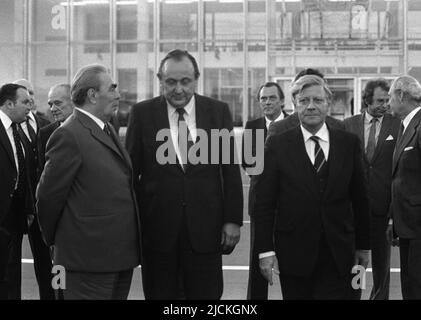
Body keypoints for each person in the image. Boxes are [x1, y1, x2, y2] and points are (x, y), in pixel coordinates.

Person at [125, 49, 243, 299]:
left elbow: (230, 170)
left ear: (196, 80)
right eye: (171, 82)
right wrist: (133, 226)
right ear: (160, 81)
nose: (178, 89)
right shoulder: (142, 114)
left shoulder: (217, 112)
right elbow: (130, 176)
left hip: (206, 230)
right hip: (157, 231)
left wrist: (233, 220)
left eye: (185, 81)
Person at [253, 75, 370, 299]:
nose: (311, 106)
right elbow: (264, 202)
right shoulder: (277, 145)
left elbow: (360, 198)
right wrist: (265, 252)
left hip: (342, 253)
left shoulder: (349, 143)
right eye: (304, 100)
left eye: (317, 100)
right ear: (294, 105)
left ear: (329, 103)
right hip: (294, 255)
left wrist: (364, 246)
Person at [36, 64, 142, 300]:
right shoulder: (68, 134)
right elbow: (47, 198)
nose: (118, 94)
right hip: (85, 262)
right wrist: (60, 243)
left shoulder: (106, 129)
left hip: (117, 258)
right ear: (93, 95)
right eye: (112, 88)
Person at [344, 79, 400, 300]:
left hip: (382, 208)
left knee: (381, 266)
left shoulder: (397, 125)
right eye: (379, 100)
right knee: (357, 262)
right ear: (367, 99)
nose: (384, 105)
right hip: (353, 209)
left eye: (387, 100)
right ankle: (354, 295)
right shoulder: (348, 125)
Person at [242, 82, 288, 300]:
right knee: (257, 261)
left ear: (282, 101)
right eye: (263, 98)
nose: (267, 102)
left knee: (292, 262)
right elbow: (249, 164)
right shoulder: (252, 126)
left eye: (272, 98)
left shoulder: (294, 124)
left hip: (290, 204)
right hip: (260, 203)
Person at [386, 75, 421, 300]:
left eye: (389, 97)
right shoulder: (405, 126)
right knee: (410, 286)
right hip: (407, 224)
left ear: (401, 95)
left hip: (419, 226)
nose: (388, 103)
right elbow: (400, 177)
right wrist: (394, 220)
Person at [0, 84, 34, 299]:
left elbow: (23, 171)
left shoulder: (18, 131)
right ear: (9, 103)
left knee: (11, 274)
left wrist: (28, 207)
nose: (30, 107)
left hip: (15, 214)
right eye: (25, 102)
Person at [268, 69, 344, 138]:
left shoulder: (339, 126)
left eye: (317, 99)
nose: (268, 102)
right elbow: (260, 153)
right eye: (264, 98)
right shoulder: (276, 129)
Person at [40, 84, 74, 157]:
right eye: (50, 105)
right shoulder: (45, 133)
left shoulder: (88, 128)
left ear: (73, 102)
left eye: (57, 103)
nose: (52, 109)